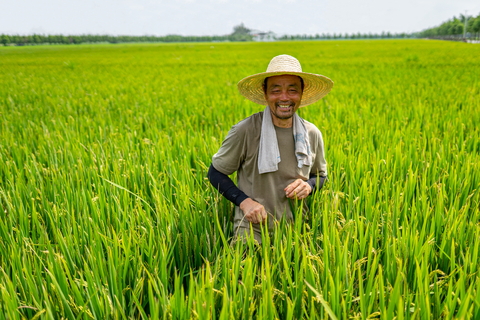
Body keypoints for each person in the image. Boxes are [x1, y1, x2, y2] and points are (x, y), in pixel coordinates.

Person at [208, 54, 333, 244]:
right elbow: (215, 173)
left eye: (292, 90)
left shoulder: (311, 133)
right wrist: (245, 202)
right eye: (276, 90)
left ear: (302, 93)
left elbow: (321, 176)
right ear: (265, 93)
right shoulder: (246, 130)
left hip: (296, 230)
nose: (284, 98)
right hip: (251, 231)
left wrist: (309, 186)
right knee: (243, 272)